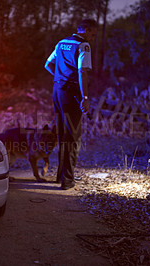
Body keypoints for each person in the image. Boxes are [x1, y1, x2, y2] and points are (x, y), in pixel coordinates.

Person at [44, 19, 97, 190]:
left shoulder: (62, 42)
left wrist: (61, 79)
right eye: (93, 34)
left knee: (62, 134)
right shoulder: (83, 46)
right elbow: (82, 71)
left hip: (57, 91)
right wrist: (85, 97)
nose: (93, 39)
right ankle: (67, 180)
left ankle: (61, 175)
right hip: (72, 93)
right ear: (87, 31)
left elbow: (48, 64)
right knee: (73, 137)